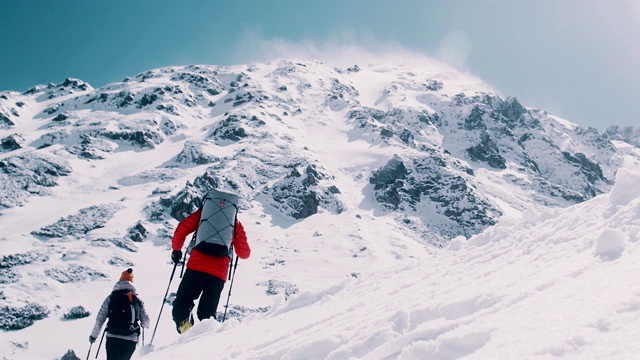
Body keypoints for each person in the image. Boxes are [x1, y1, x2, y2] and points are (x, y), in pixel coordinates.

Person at [170, 203, 251, 334]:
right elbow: (244, 254)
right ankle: (204, 339)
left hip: (196, 267)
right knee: (207, 313)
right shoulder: (235, 224)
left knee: (182, 303)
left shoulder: (203, 215)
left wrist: (176, 250)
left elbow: (181, 229)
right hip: (218, 274)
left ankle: (186, 329)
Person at [89, 268, 150, 360]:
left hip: (113, 336)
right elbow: (146, 321)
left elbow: (100, 319)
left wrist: (93, 336)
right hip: (130, 338)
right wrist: (143, 324)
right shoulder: (137, 300)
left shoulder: (111, 298)